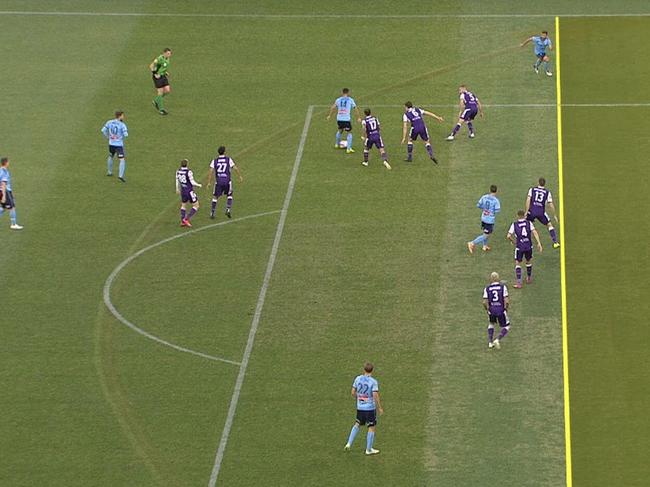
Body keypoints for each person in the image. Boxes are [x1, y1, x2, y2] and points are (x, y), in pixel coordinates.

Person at [344, 362, 383, 455]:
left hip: (360, 407)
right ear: (372, 370)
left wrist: (360, 397)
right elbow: (375, 395)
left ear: (364, 370)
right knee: (371, 427)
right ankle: (368, 449)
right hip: (370, 408)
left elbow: (353, 392)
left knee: (357, 424)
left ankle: (349, 443)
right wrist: (380, 407)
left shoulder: (358, 379)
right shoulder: (373, 382)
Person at [507, 210, 543, 288]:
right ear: (524, 215)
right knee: (528, 261)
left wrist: (513, 242)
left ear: (517, 216)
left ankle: (519, 282)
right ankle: (529, 278)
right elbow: (535, 232)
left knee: (518, 263)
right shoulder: (529, 223)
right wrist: (539, 243)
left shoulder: (514, 224)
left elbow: (508, 236)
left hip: (519, 246)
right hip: (528, 246)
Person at [207, 146, 243, 219]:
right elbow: (235, 168)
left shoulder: (215, 161)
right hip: (227, 181)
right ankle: (228, 209)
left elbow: (210, 171)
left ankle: (212, 212)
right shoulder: (228, 160)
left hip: (219, 181)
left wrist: (209, 182)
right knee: (229, 195)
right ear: (225, 152)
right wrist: (239, 176)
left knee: (215, 197)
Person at [525, 177, 560, 249]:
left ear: (538, 183)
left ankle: (524, 240)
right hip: (541, 212)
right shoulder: (547, 192)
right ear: (544, 184)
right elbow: (551, 204)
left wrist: (526, 211)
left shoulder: (532, 190)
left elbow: (528, 200)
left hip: (532, 211)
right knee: (549, 225)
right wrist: (554, 215)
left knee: (526, 224)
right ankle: (555, 242)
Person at [327, 88, 361, 154]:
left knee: (340, 130)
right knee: (349, 133)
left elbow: (333, 107)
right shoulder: (351, 100)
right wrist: (358, 117)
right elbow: (355, 109)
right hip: (346, 119)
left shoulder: (338, 100)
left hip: (339, 119)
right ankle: (349, 148)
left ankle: (337, 144)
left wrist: (329, 115)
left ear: (342, 92)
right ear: (348, 93)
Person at [468, 185, 500, 253]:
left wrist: (485, 209)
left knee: (486, 232)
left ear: (489, 190)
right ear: (496, 191)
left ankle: (485, 246)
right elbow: (497, 211)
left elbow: (478, 205)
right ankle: (472, 243)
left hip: (483, 218)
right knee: (486, 235)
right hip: (489, 220)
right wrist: (491, 212)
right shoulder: (496, 200)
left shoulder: (484, 197)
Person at [482, 272, 510, 349]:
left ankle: (490, 342)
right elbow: (506, 301)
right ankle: (497, 339)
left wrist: (487, 309)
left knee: (491, 324)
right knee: (506, 326)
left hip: (492, 310)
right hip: (501, 310)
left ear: (491, 279)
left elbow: (484, 302)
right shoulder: (502, 287)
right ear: (498, 278)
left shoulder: (487, 288)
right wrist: (506, 308)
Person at [101, 111, 128, 182]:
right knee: (122, 160)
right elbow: (126, 135)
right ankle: (120, 176)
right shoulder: (122, 125)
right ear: (119, 116)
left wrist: (108, 137)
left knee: (111, 156)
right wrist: (121, 137)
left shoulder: (109, 122)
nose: (123, 117)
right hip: (118, 145)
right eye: (122, 115)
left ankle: (109, 172)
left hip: (111, 144)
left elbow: (103, 130)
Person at [175, 159, 202, 227]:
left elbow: (177, 180)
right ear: (187, 164)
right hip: (189, 191)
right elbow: (192, 182)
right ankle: (186, 219)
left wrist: (177, 188)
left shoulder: (178, 171)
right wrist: (199, 185)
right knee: (196, 205)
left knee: (183, 205)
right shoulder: (189, 172)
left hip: (183, 190)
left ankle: (182, 221)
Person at [0, 157, 23, 230]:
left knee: (3, 207)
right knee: (12, 207)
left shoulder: (0, 170)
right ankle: (13, 224)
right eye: (8, 162)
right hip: (5, 191)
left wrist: (11, 193)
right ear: (6, 163)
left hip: (3, 191)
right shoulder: (4, 171)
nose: (9, 163)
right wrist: (3, 196)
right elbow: (4, 184)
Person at [149, 48, 173, 115]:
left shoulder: (167, 59)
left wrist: (165, 72)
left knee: (167, 90)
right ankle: (161, 110)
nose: (169, 55)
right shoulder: (159, 59)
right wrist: (155, 74)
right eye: (168, 53)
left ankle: (156, 101)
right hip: (157, 77)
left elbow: (162, 67)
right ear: (164, 53)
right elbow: (151, 66)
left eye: (170, 54)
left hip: (163, 76)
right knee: (160, 92)